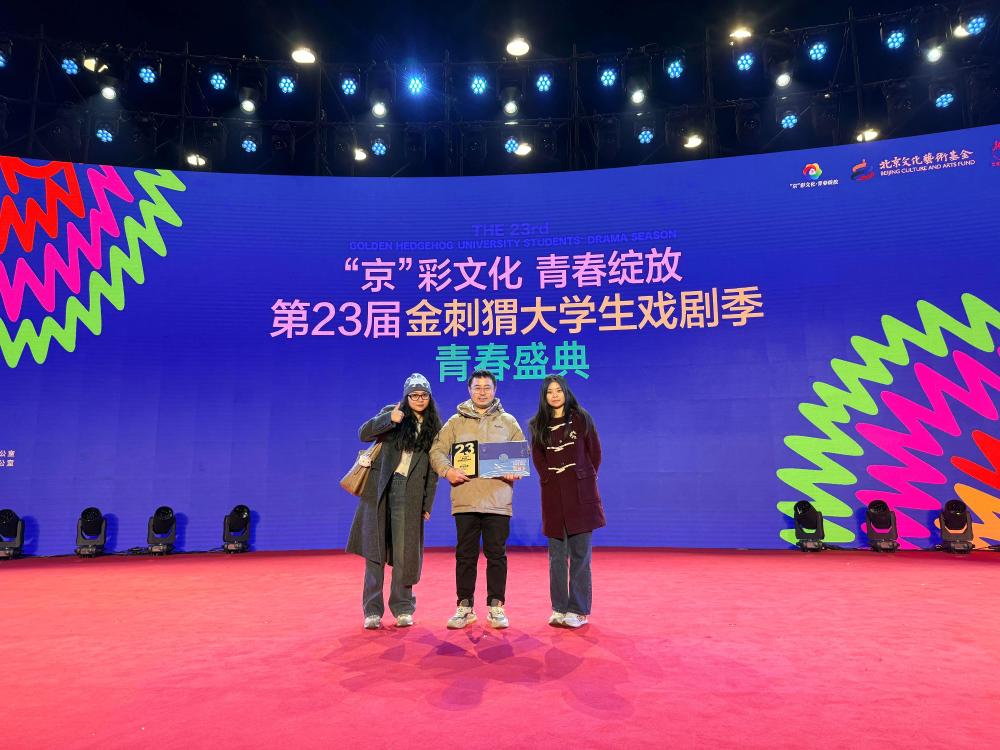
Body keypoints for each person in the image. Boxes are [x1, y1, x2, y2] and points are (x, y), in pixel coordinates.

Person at [430, 369, 525, 629]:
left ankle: (496, 606)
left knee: (497, 555)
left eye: (487, 387)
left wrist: (515, 470)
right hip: (465, 499)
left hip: (498, 500)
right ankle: (464, 607)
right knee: (465, 556)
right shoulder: (455, 422)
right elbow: (436, 451)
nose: (482, 392)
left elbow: (521, 456)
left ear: (495, 390)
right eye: (477, 387)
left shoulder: (508, 422)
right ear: (469, 390)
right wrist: (447, 470)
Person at [346, 373, 441, 629]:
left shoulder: (434, 426)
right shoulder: (392, 412)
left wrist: (427, 504)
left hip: (410, 493)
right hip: (380, 490)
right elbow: (363, 433)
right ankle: (372, 611)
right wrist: (389, 419)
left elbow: (433, 471)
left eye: (424, 395)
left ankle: (403, 608)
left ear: (430, 397)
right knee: (374, 551)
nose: (419, 399)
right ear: (406, 397)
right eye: (414, 395)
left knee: (405, 552)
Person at [528, 375, 605, 629]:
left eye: (558, 390)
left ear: (566, 392)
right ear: (544, 396)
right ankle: (559, 607)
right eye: (549, 391)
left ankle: (579, 610)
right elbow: (538, 459)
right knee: (557, 557)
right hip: (554, 497)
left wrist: (582, 477)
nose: (554, 395)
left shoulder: (582, 418)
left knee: (580, 555)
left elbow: (595, 453)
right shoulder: (538, 425)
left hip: (580, 496)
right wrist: (551, 479)